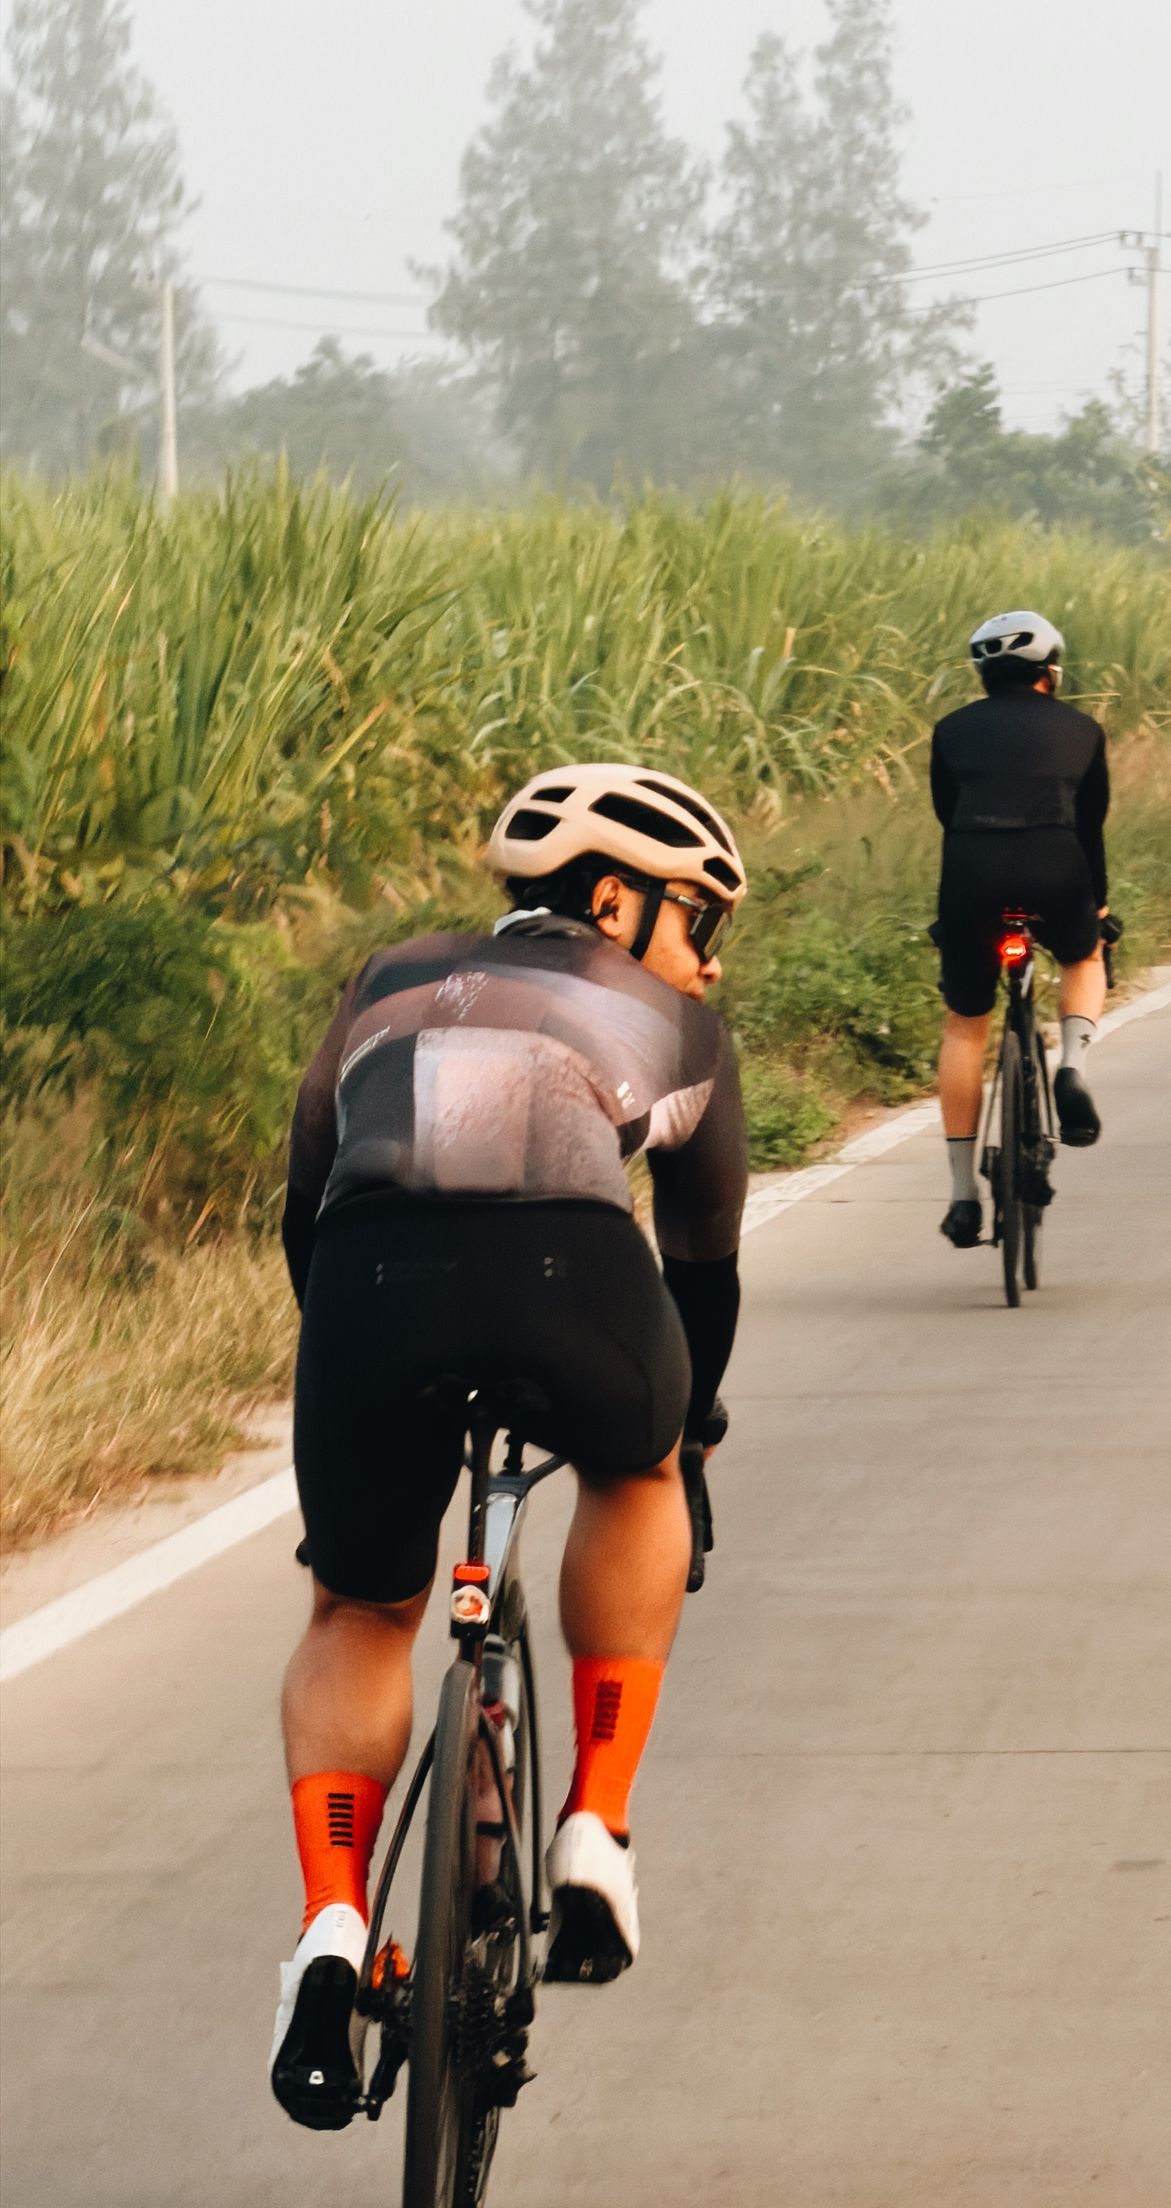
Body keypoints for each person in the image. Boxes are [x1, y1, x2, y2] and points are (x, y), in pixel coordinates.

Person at [269, 764, 750, 2130]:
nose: (709, 958)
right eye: (699, 919)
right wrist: (688, 1438)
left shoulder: (384, 978)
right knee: (638, 1472)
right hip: (570, 1277)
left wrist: (364, 1391)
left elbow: (307, 1203)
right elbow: (702, 1267)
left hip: (366, 1288)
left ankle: (332, 1924)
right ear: (615, 899)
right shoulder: (678, 1026)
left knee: (360, 1610)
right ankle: (594, 1826)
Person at [928, 611, 1110, 1247]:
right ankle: (1072, 1067)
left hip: (971, 875)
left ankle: (962, 1196)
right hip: (1058, 868)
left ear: (984, 673)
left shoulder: (951, 729)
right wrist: (1098, 908)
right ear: (1049, 671)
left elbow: (948, 814)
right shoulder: (1083, 729)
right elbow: (1090, 827)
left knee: (965, 1022)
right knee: (1085, 957)